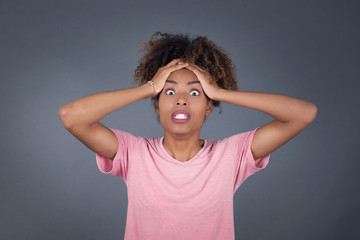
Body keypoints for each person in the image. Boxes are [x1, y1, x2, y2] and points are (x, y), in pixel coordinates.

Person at [59, 32, 317, 240]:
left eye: (195, 93)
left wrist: (220, 92)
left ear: (208, 107)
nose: (181, 101)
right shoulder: (133, 153)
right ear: (157, 105)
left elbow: (303, 114)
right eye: (169, 93)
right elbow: (71, 115)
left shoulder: (231, 155)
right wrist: (148, 87)